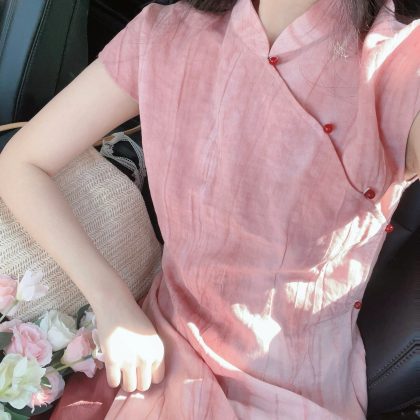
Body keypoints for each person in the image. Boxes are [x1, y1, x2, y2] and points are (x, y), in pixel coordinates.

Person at [0, 0, 419, 418]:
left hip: (286, 389)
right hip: (154, 347)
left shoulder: (400, 61)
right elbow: (21, 163)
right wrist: (111, 300)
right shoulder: (166, 31)